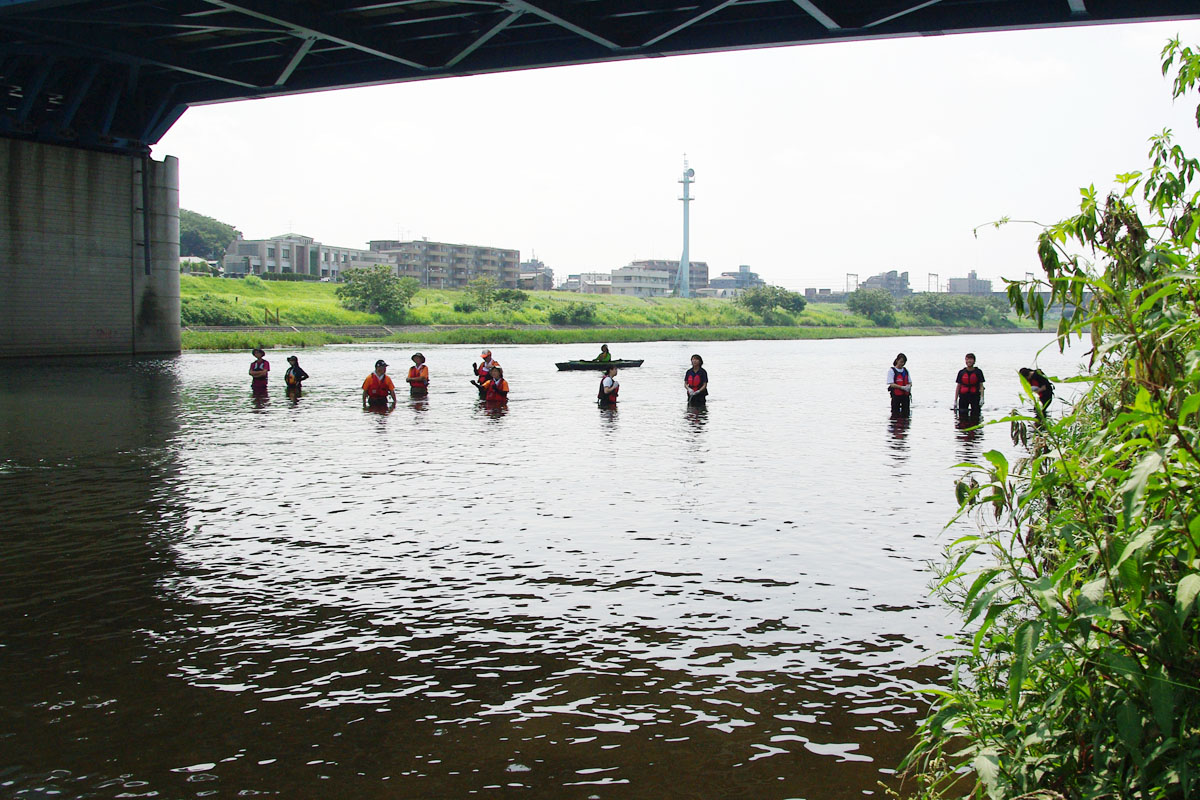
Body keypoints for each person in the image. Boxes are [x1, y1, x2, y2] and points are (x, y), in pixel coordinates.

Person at [955, 352, 985, 417]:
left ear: (974, 361)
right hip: (963, 396)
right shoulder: (961, 372)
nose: (969, 361)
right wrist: (955, 400)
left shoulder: (978, 372)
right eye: (967, 359)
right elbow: (958, 387)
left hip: (975, 396)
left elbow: (981, 386)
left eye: (971, 359)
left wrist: (982, 398)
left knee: (976, 415)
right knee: (962, 416)